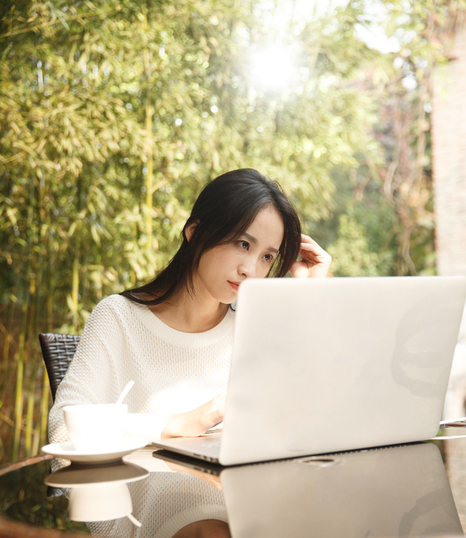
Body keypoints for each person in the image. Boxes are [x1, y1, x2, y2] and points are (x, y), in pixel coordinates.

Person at [49, 168, 331, 444]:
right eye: (244, 244)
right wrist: (174, 425)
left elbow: (310, 424)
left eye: (267, 257)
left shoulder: (255, 332)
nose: (251, 270)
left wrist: (308, 298)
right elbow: (62, 430)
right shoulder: (118, 318)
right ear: (195, 232)